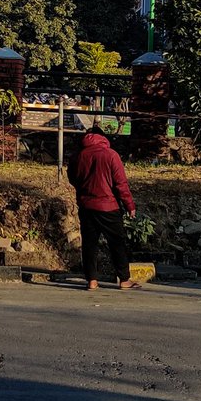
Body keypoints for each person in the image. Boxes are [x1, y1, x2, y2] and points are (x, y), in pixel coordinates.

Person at [66, 124, 140, 291]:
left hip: (86, 206)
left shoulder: (77, 156)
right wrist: (130, 205)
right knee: (117, 243)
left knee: (89, 244)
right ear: (103, 138)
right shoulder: (111, 155)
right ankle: (124, 280)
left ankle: (92, 280)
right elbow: (121, 184)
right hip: (108, 206)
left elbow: (72, 178)